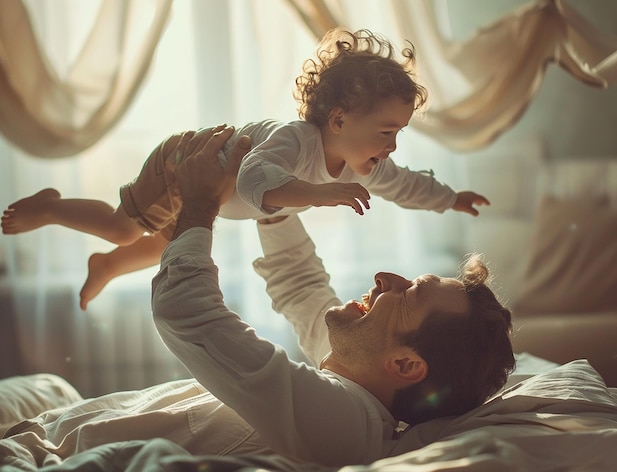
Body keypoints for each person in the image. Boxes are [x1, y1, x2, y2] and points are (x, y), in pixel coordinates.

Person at [1, 28, 489, 310]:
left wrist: (449, 198)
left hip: (209, 198)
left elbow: (406, 185)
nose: (394, 143)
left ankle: (105, 265)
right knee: (123, 228)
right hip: (184, 165)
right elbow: (256, 181)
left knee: (172, 240)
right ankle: (52, 207)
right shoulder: (296, 140)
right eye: (387, 131)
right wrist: (319, 195)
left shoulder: (369, 163)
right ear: (338, 119)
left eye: (400, 131)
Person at [148, 124, 515, 466]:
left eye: (409, 294)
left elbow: (185, 312)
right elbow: (300, 285)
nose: (384, 277)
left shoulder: (342, 420)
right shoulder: (357, 387)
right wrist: (274, 200)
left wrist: (199, 205)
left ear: (405, 365)